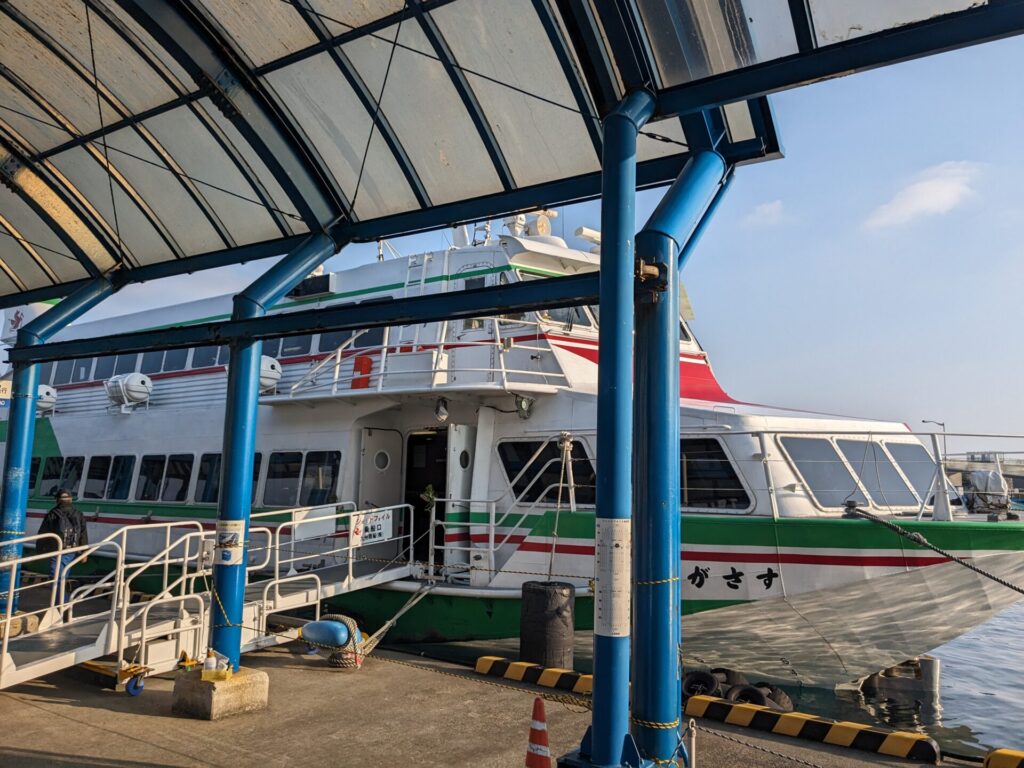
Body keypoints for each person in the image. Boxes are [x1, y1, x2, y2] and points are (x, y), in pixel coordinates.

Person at [37, 489, 88, 601]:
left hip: (57, 551)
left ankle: (63, 603)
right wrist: (85, 551)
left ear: (57, 500)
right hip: (72, 551)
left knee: (56, 577)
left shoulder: (52, 514)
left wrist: (40, 551)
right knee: (61, 577)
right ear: (71, 499)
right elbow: (83, 533)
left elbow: (43, 533)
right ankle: (62, 603)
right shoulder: (78, 514)